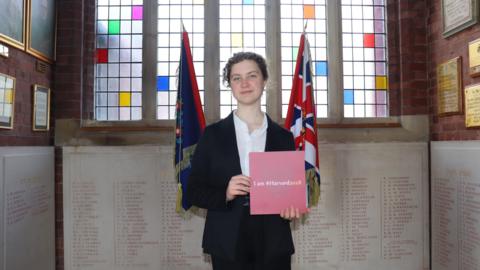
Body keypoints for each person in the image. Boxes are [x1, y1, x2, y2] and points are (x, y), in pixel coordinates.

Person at [186, 52, 304, 270]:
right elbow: (192, 191)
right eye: (236, 78)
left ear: (265, 80)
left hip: (273, 243)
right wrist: (226, 192)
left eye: (252, 75)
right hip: (227, 242)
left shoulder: (284, 137)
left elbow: (289, 191)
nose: (245, 83)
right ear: (229, 84)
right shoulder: (212, 135)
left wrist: (291, 208)